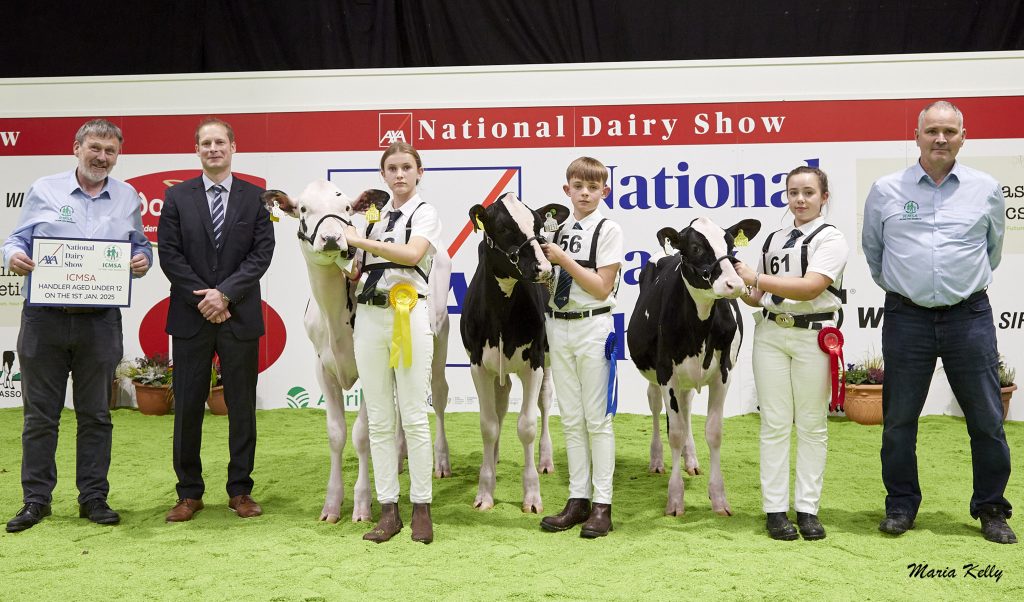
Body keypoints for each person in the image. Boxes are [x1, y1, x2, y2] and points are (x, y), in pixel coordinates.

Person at [862, 100, 1015, 544]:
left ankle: (991, 508)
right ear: (917, 136)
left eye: (950, 131)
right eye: (932, 131)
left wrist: (955, 287)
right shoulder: (886, 189)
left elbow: (993, 250)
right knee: (899, 421)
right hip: (906, 317)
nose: (941, 138)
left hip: (969, 315)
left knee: (986, 419)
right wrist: (909, 288)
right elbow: (875, 252)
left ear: (963, 138)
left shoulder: (985, 188)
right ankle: (901, 505)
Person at [3, 119, 152, 533]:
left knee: (96, 417)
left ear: (117, 156)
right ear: (77, 148)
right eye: (96, 148)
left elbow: (138, 248)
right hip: (43, 321)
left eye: (111, 151)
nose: (102, 157)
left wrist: (143, 262)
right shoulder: (44, 189)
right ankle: (36, 500)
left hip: (100, 324)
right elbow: (15, 240)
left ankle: (93, 498)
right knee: (39, 417)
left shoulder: (127, 197)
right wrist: (12, 257)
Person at [157, 117, 275, 522]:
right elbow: (170, 256)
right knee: (188, 406)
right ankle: (189, 493)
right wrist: (206, 299)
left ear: (232, 147)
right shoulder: (176, 198)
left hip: (238, 315)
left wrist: (224, 295)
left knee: (241, 406)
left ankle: (240, 491)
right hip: (191, 318)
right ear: (197, 150)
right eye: (205, 143)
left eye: (219, 142)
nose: (213, 149)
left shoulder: (255, 197)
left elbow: (261, 255)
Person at [735, 166, 848, 541]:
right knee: (775, 423)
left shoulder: (831, 239)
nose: (800, 199)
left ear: (824, 197)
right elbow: (756, 295)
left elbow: (809, 288)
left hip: (813, 336)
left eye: (809, 193)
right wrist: (732, 279)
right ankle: (774, 510)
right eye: (793, 192)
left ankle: (808, 509)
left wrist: (754, 278)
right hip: (770, 333)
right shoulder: (772, 239)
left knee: (813, 424)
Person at [343, 142, 441, 544]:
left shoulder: (426, 214)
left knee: (415, 416)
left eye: (406, 167)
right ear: (382, 176)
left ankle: (422, 507)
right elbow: (354, 270)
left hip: (409, 314)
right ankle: (388, 510)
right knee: (379, 417)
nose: (399, 175)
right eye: (392, 169)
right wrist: (344, 253)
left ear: (419, 172)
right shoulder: (370, 218)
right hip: (368, 316)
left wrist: (360, 241)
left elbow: (412, 253)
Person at [539, 156, 623, 538]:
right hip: (559, 325)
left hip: (593, 325)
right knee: (570, 417)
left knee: (597, 419)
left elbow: (602, 285)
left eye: (593, 187)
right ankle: (578, 499)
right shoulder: (555, 230)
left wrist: (563, 259)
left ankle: (602, 504)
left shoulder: (608, 229)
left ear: (604, 191)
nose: (585, 192)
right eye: (578, 186)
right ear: (566, 190)